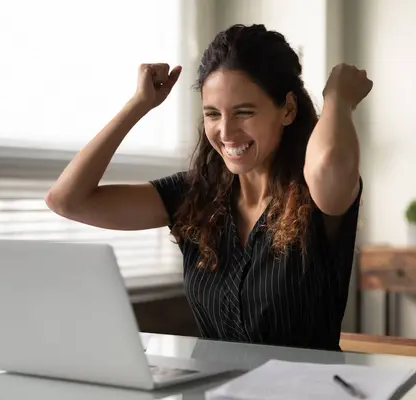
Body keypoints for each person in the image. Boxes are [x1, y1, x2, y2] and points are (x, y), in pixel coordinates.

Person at [45, 24, 372, 351]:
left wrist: (337, 99)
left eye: (244, 112)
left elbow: (329, 161)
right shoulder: (194, 195)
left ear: (287, 109)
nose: (226, 131)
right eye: (213, 114)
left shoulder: (315, 192)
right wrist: (139, 104)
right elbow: (67, 200)